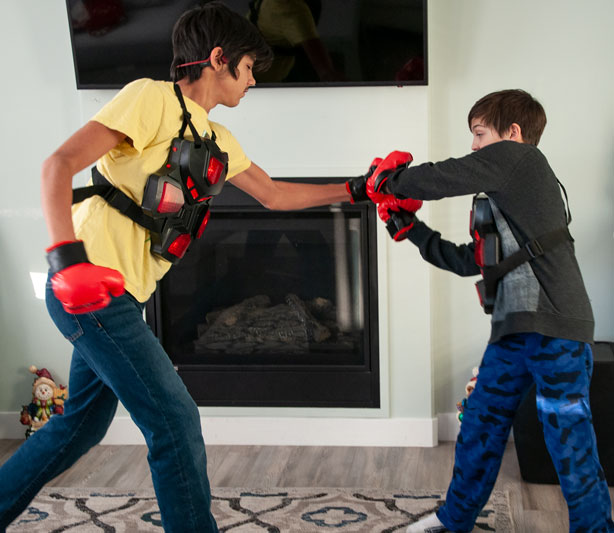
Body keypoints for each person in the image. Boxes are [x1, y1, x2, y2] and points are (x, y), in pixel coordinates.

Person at [0, 3, 365, 531]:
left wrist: (358, 188)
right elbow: (57, 165)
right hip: (91, 286)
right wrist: (66, 260)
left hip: (126, 296)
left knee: (80, 427)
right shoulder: (150, 98)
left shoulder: (220, 141)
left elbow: (274, 195)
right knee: (174, 421)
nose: (254, 81)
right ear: (218, 59)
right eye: (249, 68)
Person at [364, 89, 614, 533]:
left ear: (513, 134)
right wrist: (412, 230)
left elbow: (447, 176)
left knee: (570, 445)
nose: (474, 144)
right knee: (480, 426)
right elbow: (469, 261)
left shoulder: (523, 161)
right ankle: (453, 521)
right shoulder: (506, 200)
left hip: (557, 330)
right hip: (514, 334)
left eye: (480, 134)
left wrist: (391, 181)